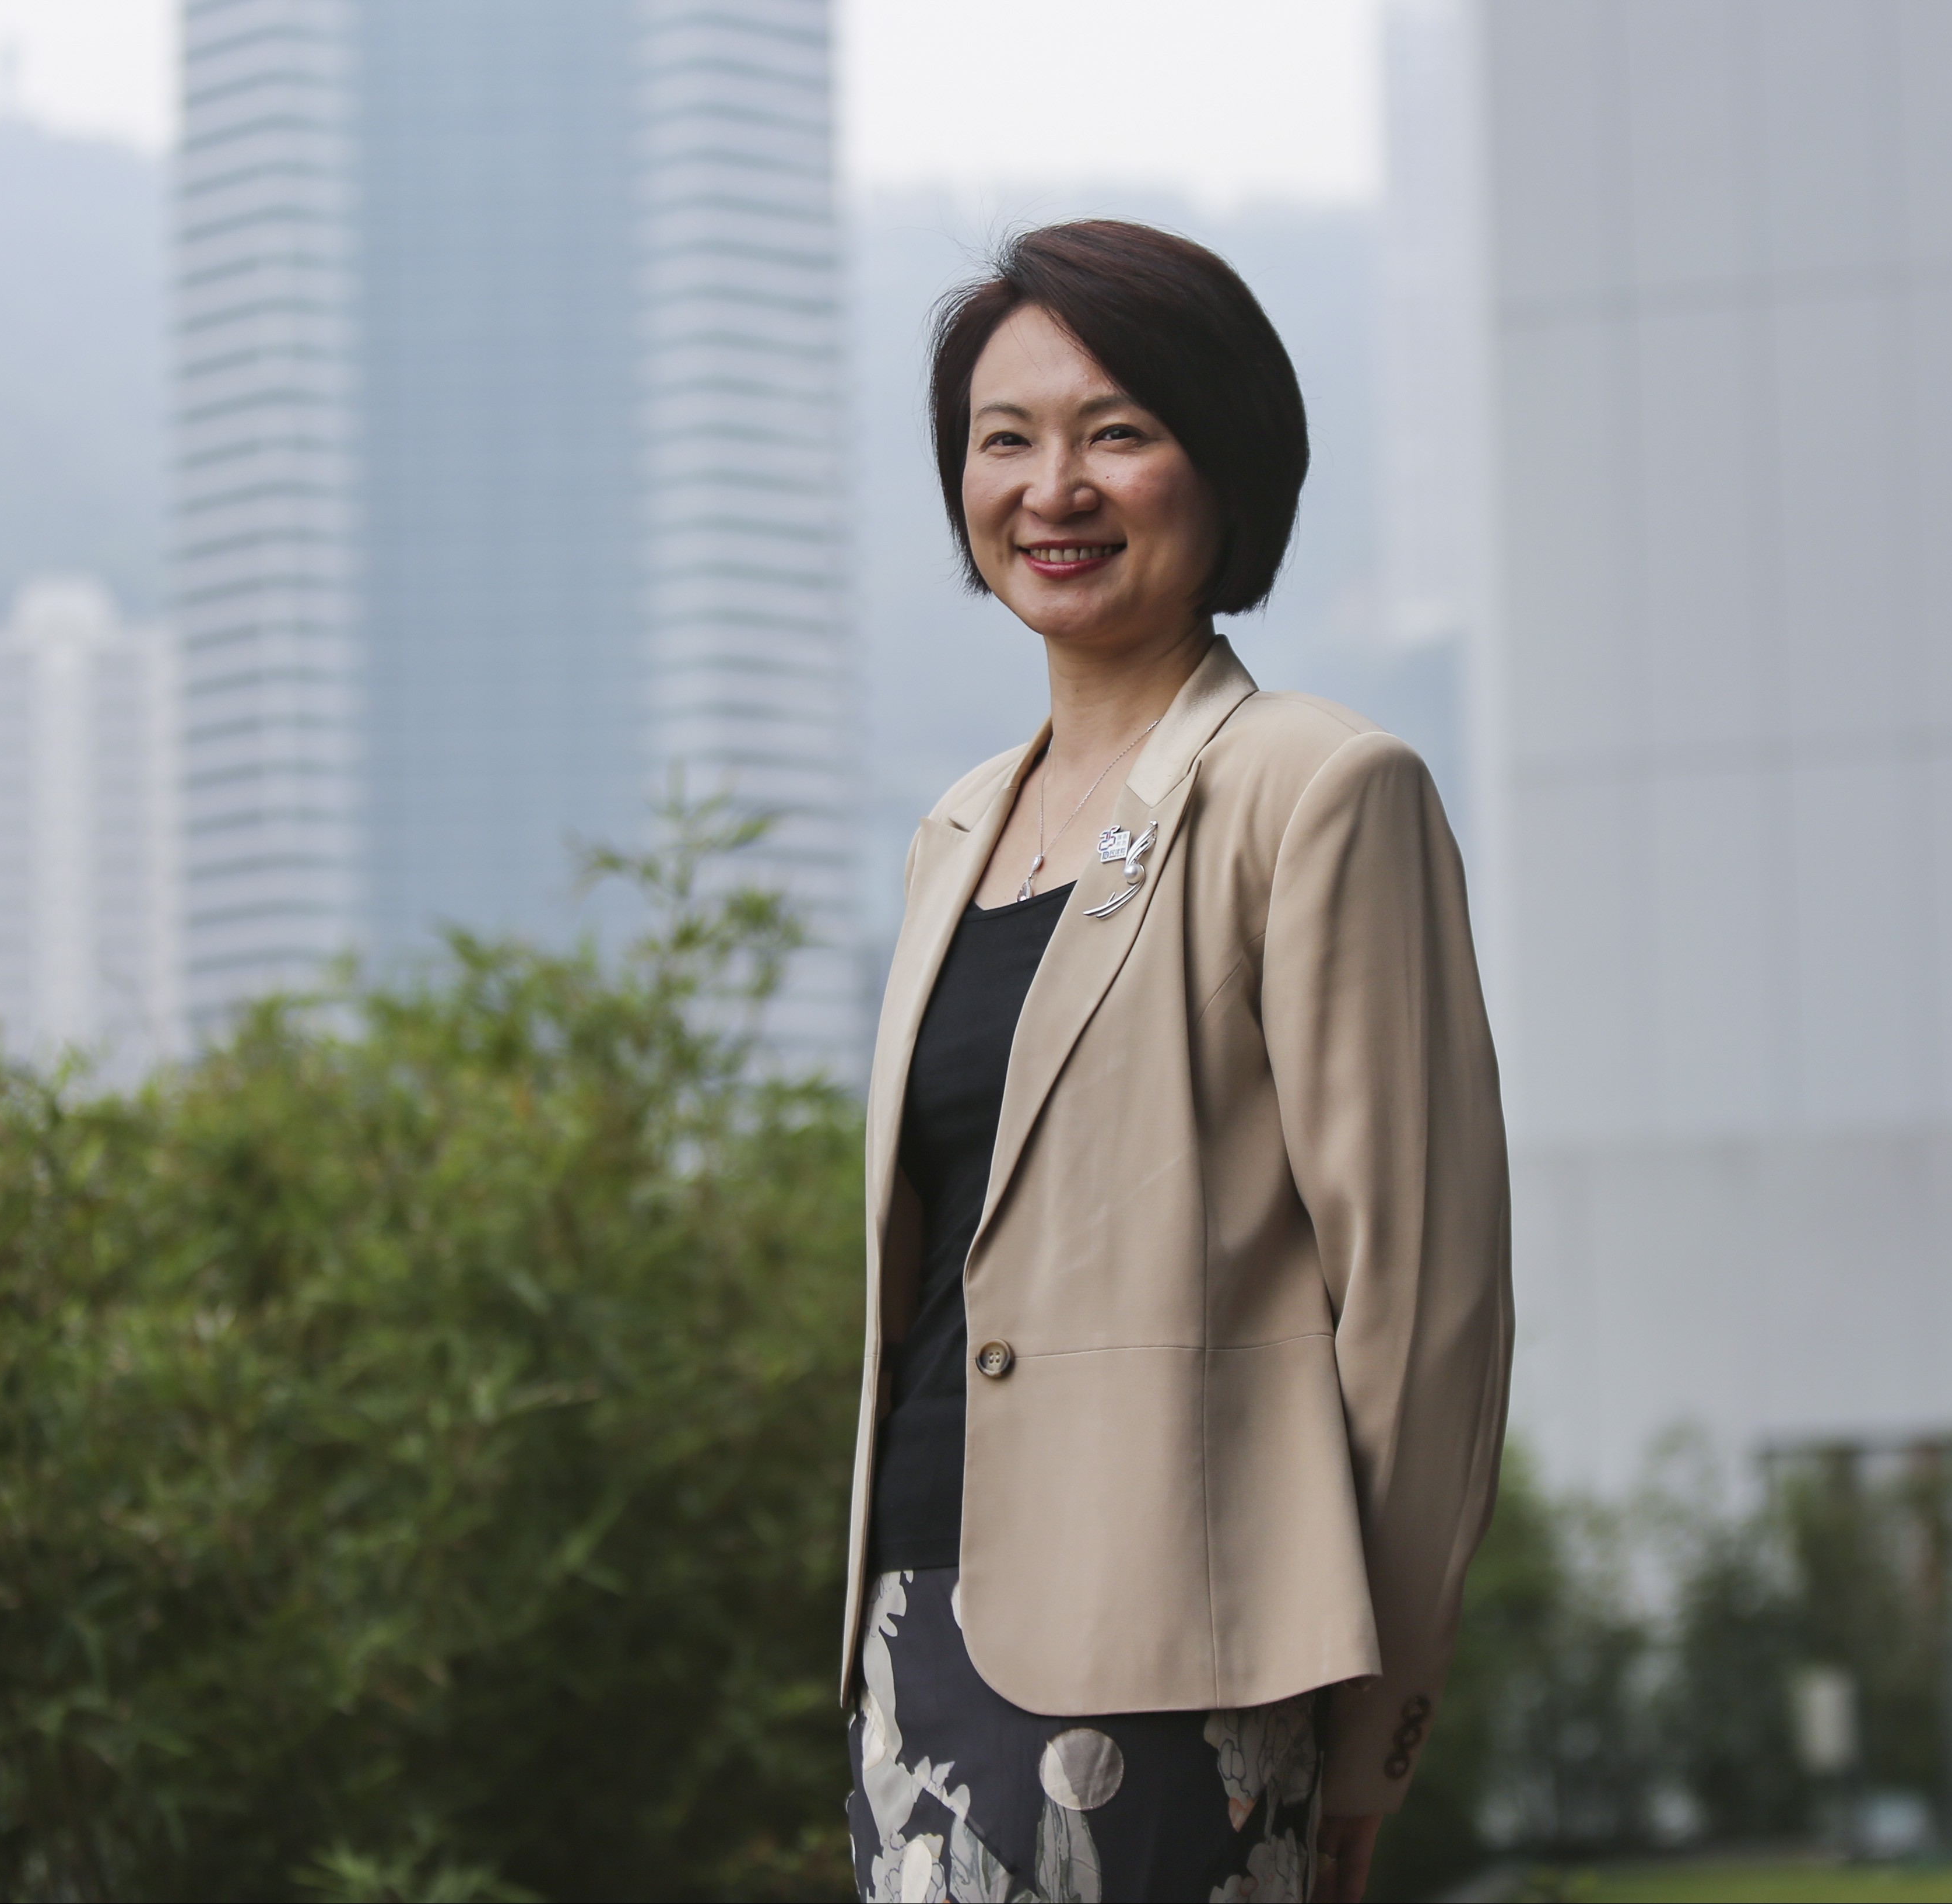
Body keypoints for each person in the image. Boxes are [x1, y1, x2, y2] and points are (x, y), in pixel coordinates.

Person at [841, 220, 1514, 1904]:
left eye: (1116, 431)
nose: (1051, 486)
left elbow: (1424, 1310)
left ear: (1228, 468)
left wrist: (1370, 1731)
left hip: (1175, 1673)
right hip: (915, 1632)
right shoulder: (953, 831)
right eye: (1006, 439)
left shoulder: (1321, 790)